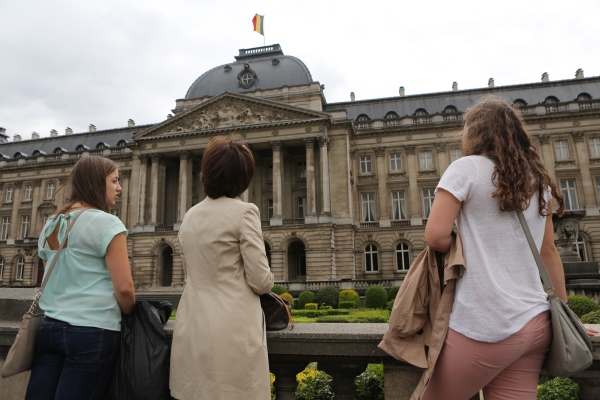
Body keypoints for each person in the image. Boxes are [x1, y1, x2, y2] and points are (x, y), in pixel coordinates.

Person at [422, 96, 596, 400]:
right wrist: (567, 314)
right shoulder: (537, 179)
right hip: (536, 324)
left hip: (487, 326)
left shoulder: (466, 169)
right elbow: (549, 251)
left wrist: (464, 245)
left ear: (474, 132)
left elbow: (435, 236)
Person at [170, 136, 274, 400]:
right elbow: (261, 281)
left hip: (191, 325)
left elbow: (191, 273)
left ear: (206, 173)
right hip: (233, 330)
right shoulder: (245, 212)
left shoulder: (190, 216)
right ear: (244, 177)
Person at [25, 156, 135, 400]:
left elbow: (52, 276)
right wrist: (131, 313)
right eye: (115, 181)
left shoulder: (52, 224)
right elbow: (125, 289)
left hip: (50, 329)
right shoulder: (108, 223)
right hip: (93, 331)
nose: (119, 187)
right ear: (97, 183)